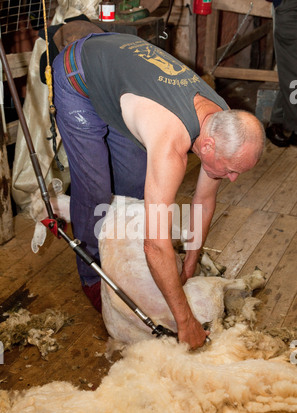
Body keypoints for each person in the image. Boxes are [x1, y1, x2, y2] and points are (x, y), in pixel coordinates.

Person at [51, 32, 265, 350]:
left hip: (122, 78)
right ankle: (92, 276)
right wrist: (186, 323)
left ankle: (120, 254)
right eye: (231, 170)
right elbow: (155, 245)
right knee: (96, 190)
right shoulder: (171, 146)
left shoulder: (220, 121)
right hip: (79, 75)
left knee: (137, 184)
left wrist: (189, 266)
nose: (232, 178)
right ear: (207, 145)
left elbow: (204, 200)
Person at [265, 0, 297, 147]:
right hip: (290, 9)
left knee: (290, 70)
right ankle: (294, 126)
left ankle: (277, 120)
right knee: (292, 71)